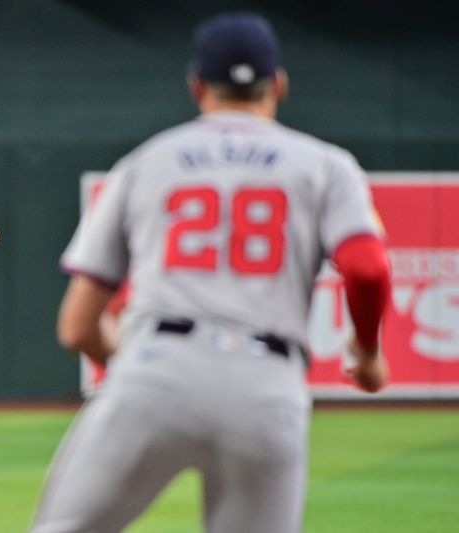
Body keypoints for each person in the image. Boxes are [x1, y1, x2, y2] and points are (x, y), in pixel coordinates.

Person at [31, 12, 391, 533]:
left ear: (196, 85)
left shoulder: (146, 162)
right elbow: (368, 268)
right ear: (280, 84)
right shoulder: (327, 165)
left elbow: (78, 327)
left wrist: (140, 369)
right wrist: (369, 352)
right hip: (268, 386)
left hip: (156, 369)